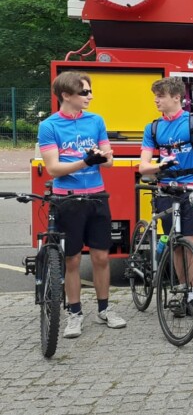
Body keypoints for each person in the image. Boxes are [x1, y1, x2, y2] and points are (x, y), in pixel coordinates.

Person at [38, 71, 126, 339]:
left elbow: (109, 160)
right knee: (73, 259)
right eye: (84, 92)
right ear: (66, 95)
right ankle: (74, 314)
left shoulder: (96, 120)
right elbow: (53, 168)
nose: (90, 96)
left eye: (90, 91)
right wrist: (85, 162)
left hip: (97, 196)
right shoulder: (49, 126)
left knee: (101, 257)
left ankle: (104, 309)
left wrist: (100, 157)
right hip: (68, 198)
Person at [139, 76, 193, 320]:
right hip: (167, 191)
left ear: (176, 98)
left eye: (161, 96)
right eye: (155, 96)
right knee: (176, 244)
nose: (156, 100)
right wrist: (159, 165)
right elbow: (142, 166)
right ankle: (180, 289)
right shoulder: (153, 127)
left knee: (191, 242)